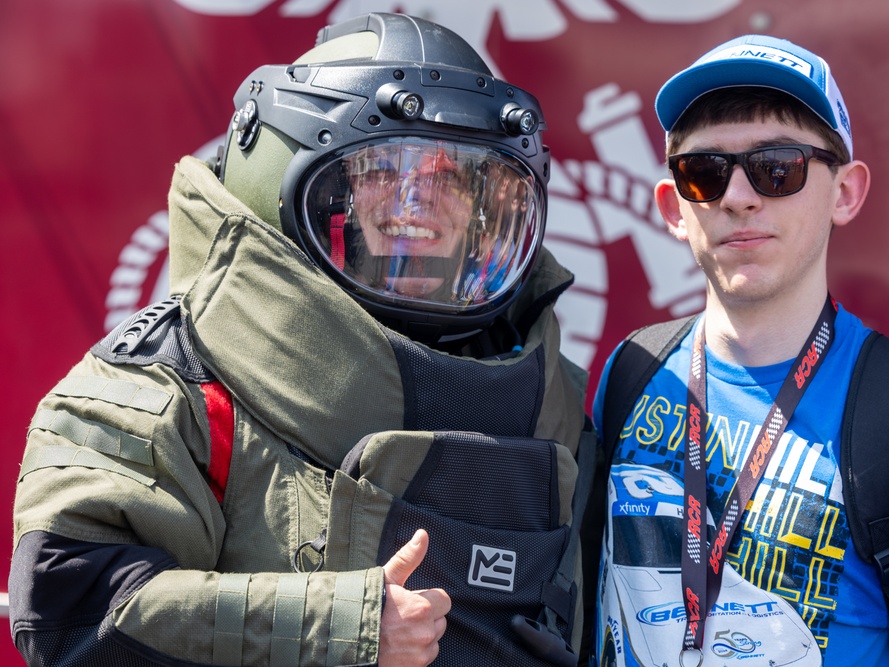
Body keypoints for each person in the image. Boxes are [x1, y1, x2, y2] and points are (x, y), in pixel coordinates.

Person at [9, 12, 596, 667]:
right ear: (292, 187)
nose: (418, 202)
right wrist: (344, 625)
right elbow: (70, 607)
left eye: (455, 178)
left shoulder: (550, 397)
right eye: (382, 170)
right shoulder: (166, 389)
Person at [591, 34, 889, 667]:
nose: (738, 196)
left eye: (777, 167)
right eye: (705, 172)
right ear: (674, 207)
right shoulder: (630, 371)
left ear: (845, 192)